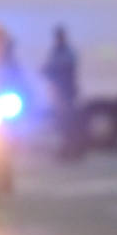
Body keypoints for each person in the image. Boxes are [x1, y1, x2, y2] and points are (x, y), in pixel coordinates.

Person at [41, 25, 82, 159]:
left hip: (65, 91)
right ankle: (70, 149)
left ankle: (71, 150)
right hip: (62, 91)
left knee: (67, 122)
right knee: (65, 122)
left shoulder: (63, 52)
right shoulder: (62, 51)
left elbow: (55, 68)